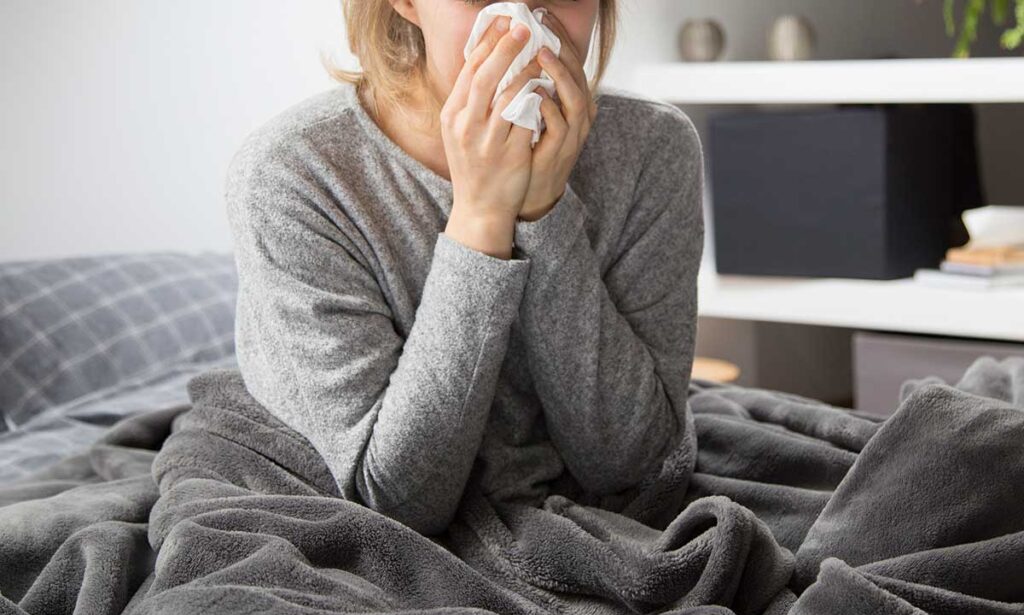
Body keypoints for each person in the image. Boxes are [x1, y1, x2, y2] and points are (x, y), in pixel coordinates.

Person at [225, 0, 705, 537]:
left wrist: (544, 214)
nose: (528, 25)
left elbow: (629, 465)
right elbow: (400, 500)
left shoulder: (653, 145)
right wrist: (481, 216)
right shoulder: (295, 176)